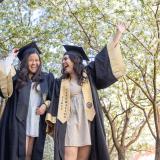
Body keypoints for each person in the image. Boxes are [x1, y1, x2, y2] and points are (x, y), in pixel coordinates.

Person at [46, 23, 126, 160]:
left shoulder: (89, 74)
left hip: (87, 122)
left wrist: (118, 34)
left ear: (74, 60)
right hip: (68, 122)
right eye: (62, 60)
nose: (63, 62)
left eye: (65, 59)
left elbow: (104, 57)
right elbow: (52, 100)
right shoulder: (60, 82)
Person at [0, 42, 54, 160]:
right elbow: (4, 75)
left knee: (30, 154)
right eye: (31, 60)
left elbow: (52, 97)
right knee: (19, 154)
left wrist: (45, 105)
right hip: (18, 120)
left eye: (37, 60)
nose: (34, 63)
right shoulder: (17, 77)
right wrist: (11, 57)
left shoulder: (46, 78)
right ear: (25, 62)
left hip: (36, 119)